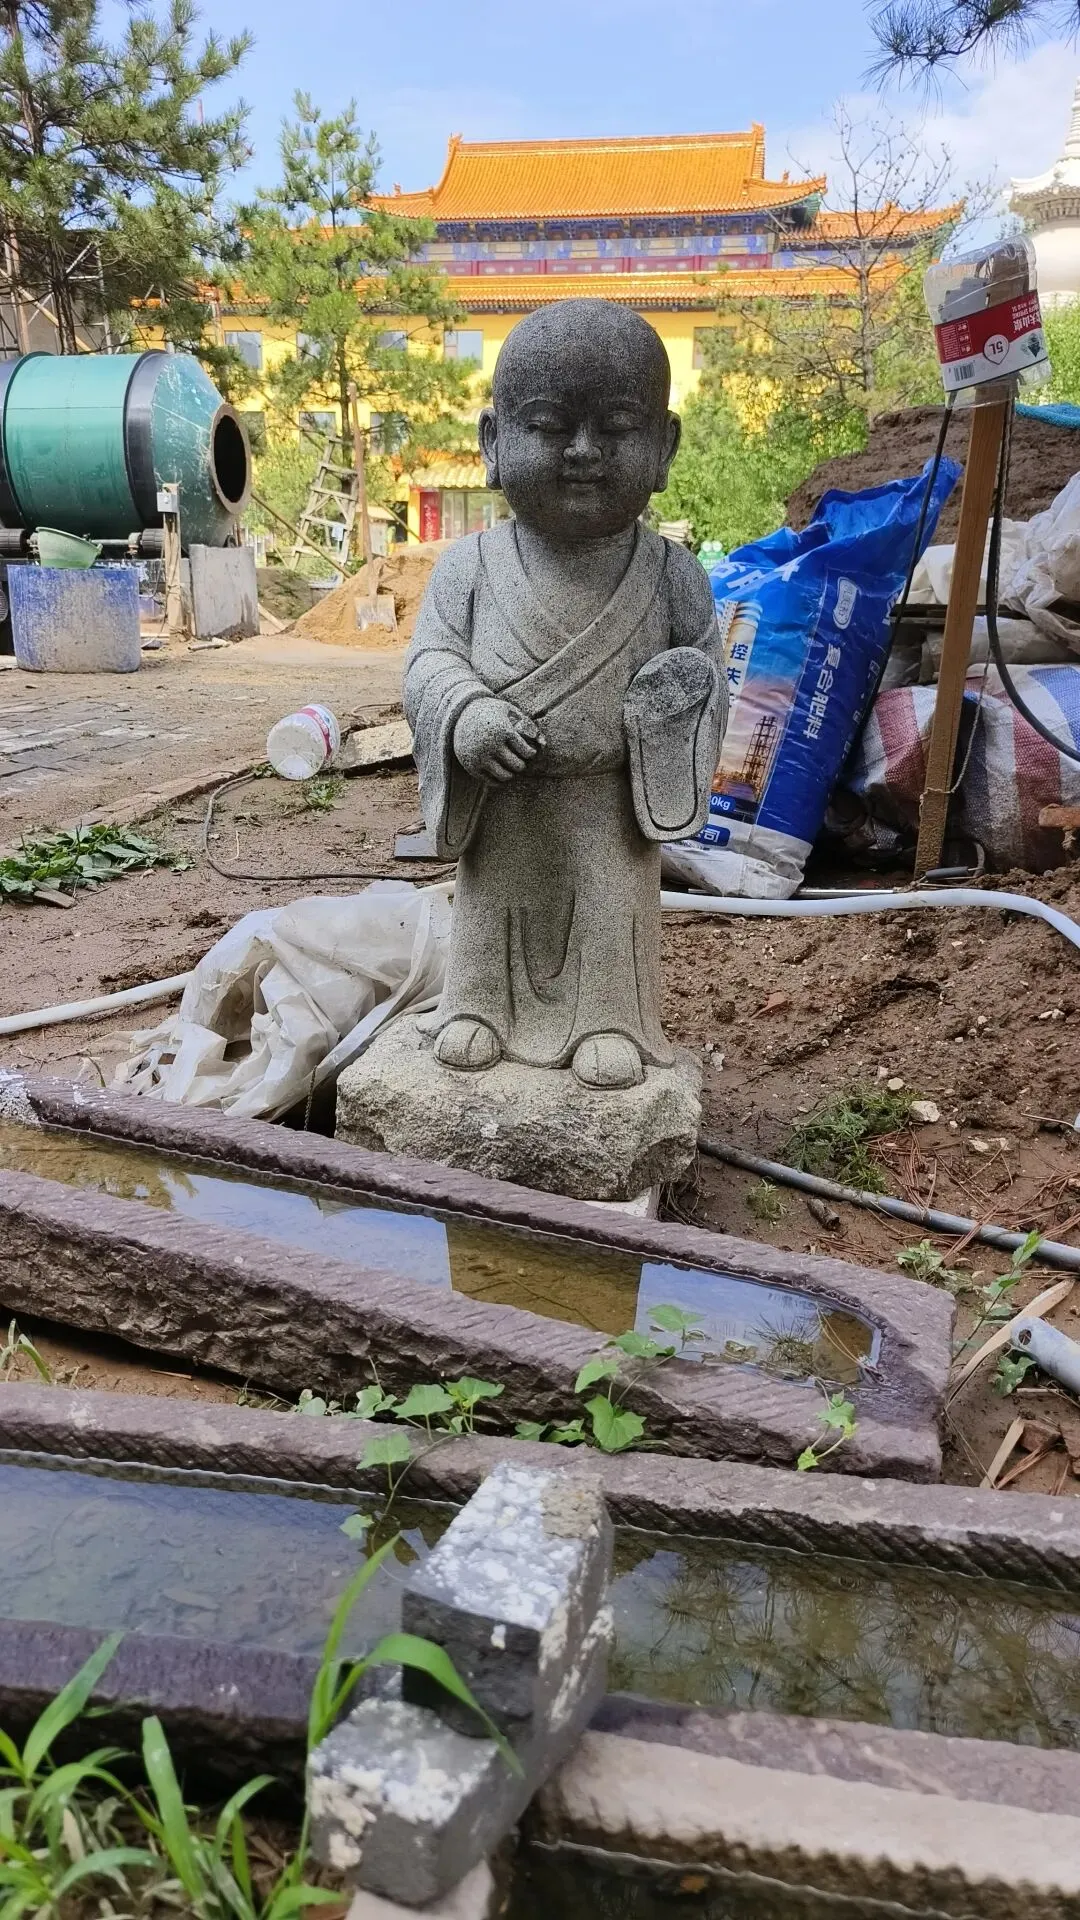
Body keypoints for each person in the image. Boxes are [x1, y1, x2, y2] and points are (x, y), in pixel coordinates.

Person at [404, 298, 725, 1091]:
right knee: (494, 902)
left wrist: (670, 711)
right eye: (549, 427)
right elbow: (429, 663)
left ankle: (610, 1020)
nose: (583, 451)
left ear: (664, 447)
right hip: (504, 799)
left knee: (610, 905)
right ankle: (478, 1005)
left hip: (610, 806)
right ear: (493, 442)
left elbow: (705, 679)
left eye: (616, 428)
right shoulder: (468, 568)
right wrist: (465, 712)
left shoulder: (673, 576)